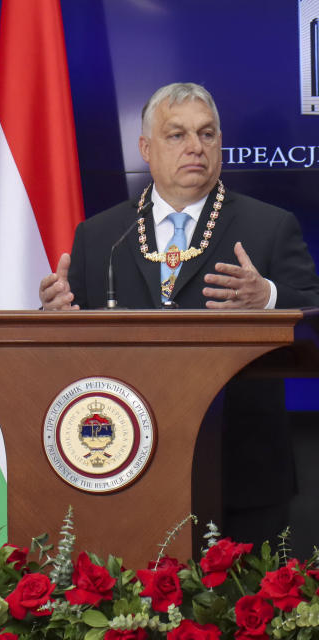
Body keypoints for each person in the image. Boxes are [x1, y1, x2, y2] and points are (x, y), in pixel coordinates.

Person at [39, 82, 319, 545]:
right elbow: (71, 344)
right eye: (177, 135)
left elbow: (314, 316)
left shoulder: (268, 226)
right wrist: (53, 314)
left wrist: (267, 297)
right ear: (146, 148)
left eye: (207, 135)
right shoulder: (102, 234)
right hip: (124, 463)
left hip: (242, 467)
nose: (196, 147)